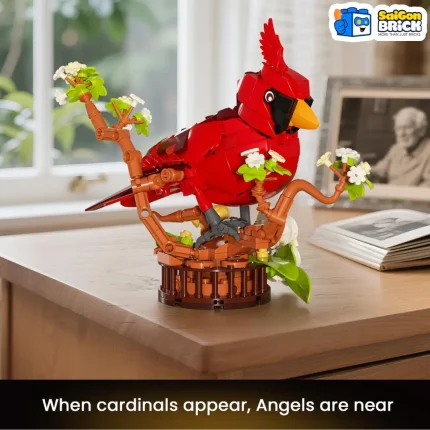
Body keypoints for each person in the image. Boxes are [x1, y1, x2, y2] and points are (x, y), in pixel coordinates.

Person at [371, 106, 430, 187]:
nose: (402, 134)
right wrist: (359, 168)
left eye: (407, 128)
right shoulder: (396, 148)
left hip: (410, 195)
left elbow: (427, 187)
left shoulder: (428, 151)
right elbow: (380, 171)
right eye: (398, 128)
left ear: (421, 130)